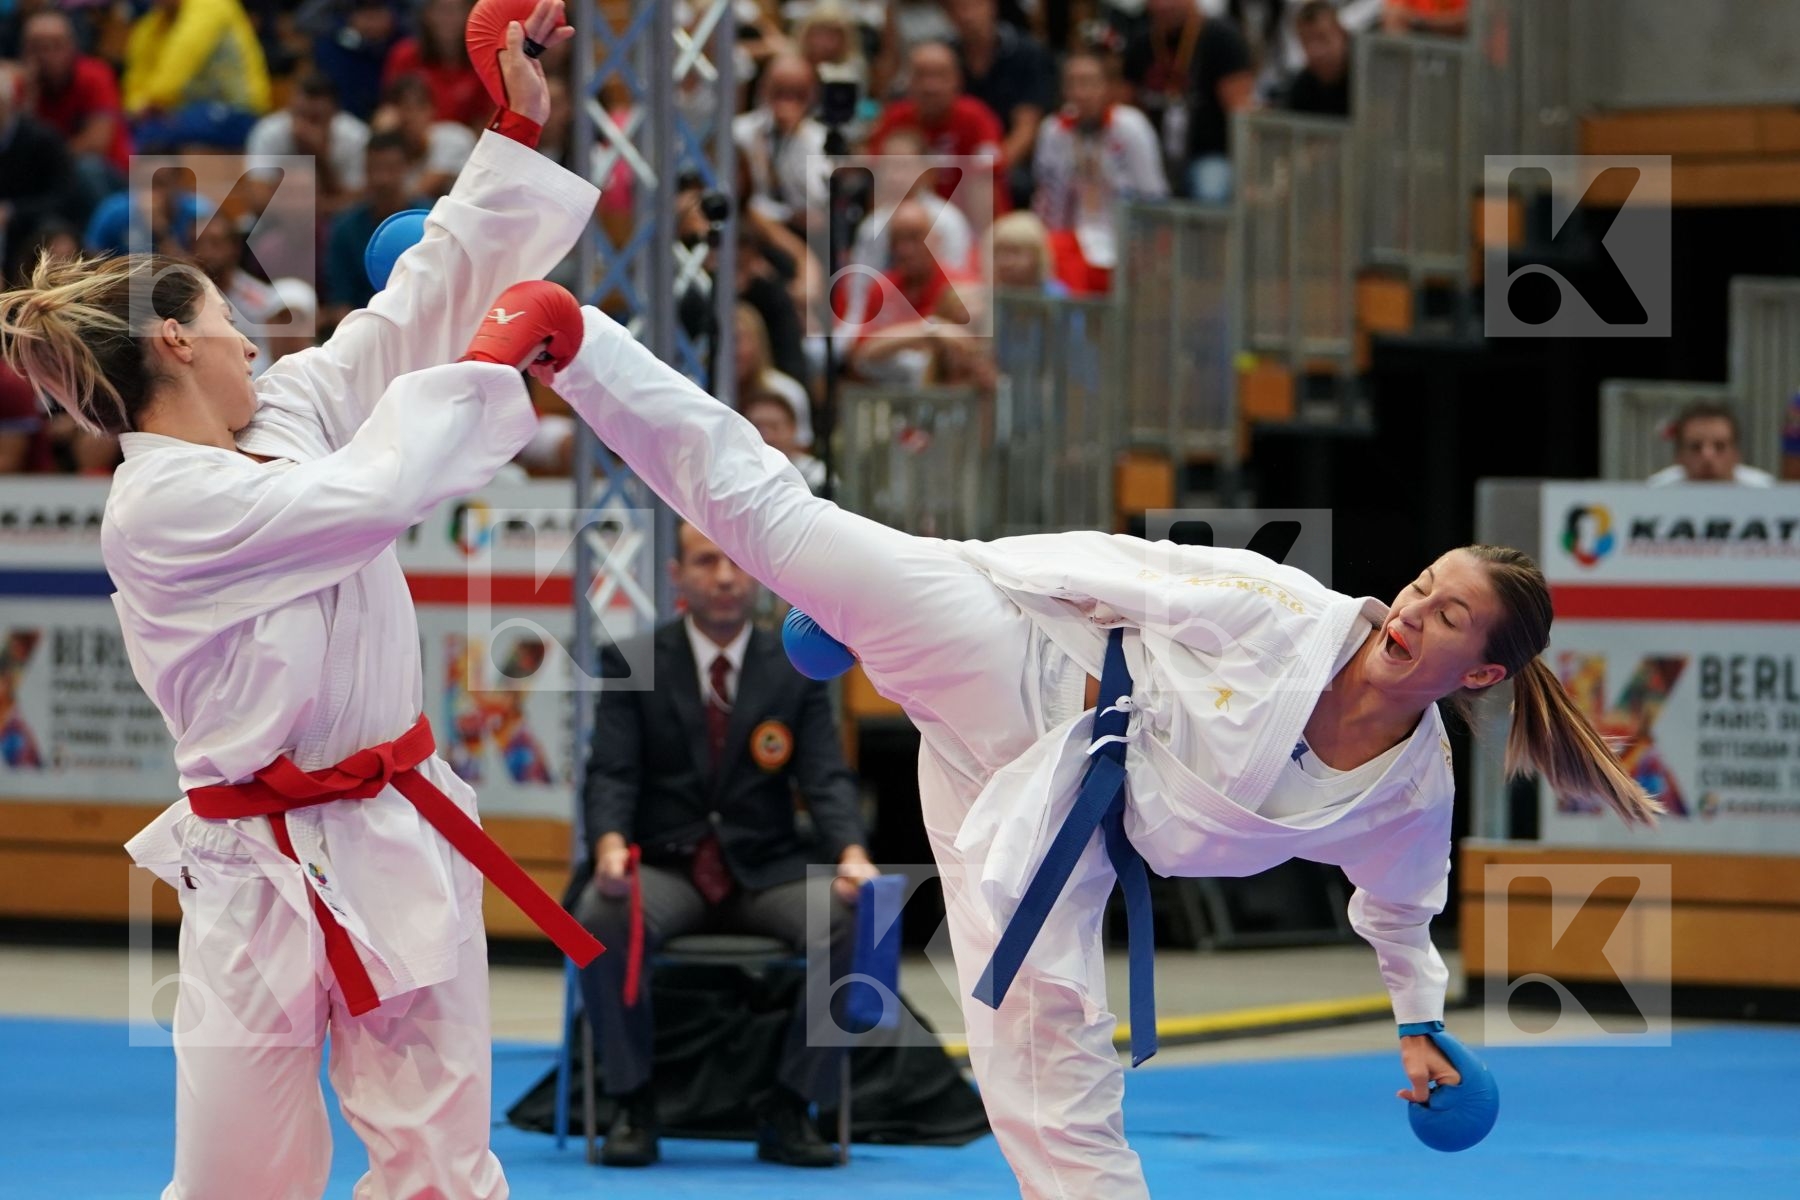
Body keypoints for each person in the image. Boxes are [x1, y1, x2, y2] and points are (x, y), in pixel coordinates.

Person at [542, 300, 1660, 1198]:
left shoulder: (1408, 793)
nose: (1414, 610)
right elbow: (1118, 565)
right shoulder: (1286, 612)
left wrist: (1418, 1028)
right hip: (1011, 655)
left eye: (1450, 616)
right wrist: (926, 583)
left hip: (1047, 823)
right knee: (785, 535)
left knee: (1047, 1079)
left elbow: (1402, 910)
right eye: (1424, 585)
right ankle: (578, 342)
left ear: (1482, 674)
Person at [0, 5, 603, 1195]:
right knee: (238, 1178)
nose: (254, 343)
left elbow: (414, 306)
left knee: (443, 1168)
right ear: (174, 342)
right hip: (252, 867)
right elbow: (373, 498)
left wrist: (516, 128)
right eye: (230, 324)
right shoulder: (158, 506)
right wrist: (495, 365)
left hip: (397, 829)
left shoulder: (285, 411)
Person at [569, 518, 874, 1168]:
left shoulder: (796, 668)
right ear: (676, 575)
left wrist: (852, 854)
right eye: (706, 561)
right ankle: (632, 1102)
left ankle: (792, 1105)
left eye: (736, 562)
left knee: (855, 914)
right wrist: (611, 848)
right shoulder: (634, 661)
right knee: (600, 912)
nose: (725, 577)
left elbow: (825, 777)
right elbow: (612, 773)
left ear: (757, 575)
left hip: (766, 872)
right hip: (668, 869)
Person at [1032, 50, 1168, 295]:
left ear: (1107, 87)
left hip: (1122, 241)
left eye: (1088, 83)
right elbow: (1046, 197)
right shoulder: (1053, 131)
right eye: (1072, 83)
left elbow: (1153, 195)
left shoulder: (1131, 126)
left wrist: (1145, 252)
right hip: (1070, 240)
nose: (1080, 93)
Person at [1121, 0, 1255, 202]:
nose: (1164, 6)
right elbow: (1125, 111)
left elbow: (1241, 113)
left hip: (1209, 154)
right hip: (1155, 155)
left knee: (1210, 188)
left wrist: (1250, 172)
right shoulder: (1141, 43)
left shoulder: (1221, 38)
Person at [18, 8, 132, 209]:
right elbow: (17, 149)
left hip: (111, 177)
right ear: (24, 52)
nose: (47, 55)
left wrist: (45, 157)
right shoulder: (23, 87)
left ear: (73, 47)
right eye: (37, 47)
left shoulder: (96, 75)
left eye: (56, 46)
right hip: (54, 177)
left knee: (85, 168)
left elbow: (97, 144)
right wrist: (29, 98)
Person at [121, 0, 272, 151]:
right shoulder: (151, 25)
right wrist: (137, 107)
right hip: (185, 111)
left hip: (237, 110)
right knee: (128, 131)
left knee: (151, 135)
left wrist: (150, 103)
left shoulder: (211, 5)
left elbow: (182, 58)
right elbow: (136, 80)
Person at [245, 71, 372, 221]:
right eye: (300, 115)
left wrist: (319, 157)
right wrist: (319, 206)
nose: (305, 128)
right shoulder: (269, 132)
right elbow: (259, 201)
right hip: (277, 223)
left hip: (334, 226)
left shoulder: (356, 137)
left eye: (315, 119)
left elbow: (357, 204)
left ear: (334, 114)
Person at [384, 0, 492, 127]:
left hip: (465, 135)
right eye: (441, 10)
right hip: (414, 131)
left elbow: (486, 116)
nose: (448, 19)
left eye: (456, 10)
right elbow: (390, 108)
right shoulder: (405, 55)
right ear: (426, 14)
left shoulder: (483, 59)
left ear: (470, 14)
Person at [1646, 400, 1776, 486]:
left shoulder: (1765, 492)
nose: (1707, 456)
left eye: (1720, 446)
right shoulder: (1655, 493)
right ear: (1678, 456)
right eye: (1696, 447)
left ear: (1736, 454)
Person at [1286, 0, 1353, 117]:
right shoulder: (1301, 89)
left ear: (1342, 35)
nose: (1316, 51)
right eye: (1307, 41)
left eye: (1323, 38)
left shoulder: (1365, 83)